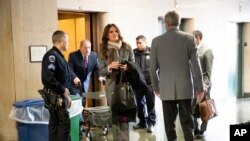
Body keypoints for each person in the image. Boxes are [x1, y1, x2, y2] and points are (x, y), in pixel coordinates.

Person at [150, 11, 204, 141]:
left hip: (166, 89)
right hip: (185, 88)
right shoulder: (189, 38)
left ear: (166, 23)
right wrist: (200, 88)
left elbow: (152, 68)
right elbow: (196, 66)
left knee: (169, 125)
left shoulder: (156, 41)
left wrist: (156, 87)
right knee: (187, 123)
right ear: (178, 22)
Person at [41, 30, 81, 141]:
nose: (68, 43)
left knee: (56, 127)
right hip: (56, 98)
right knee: (63, 126)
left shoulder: (59, 57)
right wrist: (63, 90)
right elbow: (47, 77)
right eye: (67, 40)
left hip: (60, 97)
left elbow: (65, 76)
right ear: (62, 40)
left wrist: (67, 95)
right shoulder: (51, 56)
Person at [99, 23, 135, 141]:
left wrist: (128, 67)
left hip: (126, 86)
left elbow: (134, 65)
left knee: (125, 117)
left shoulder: (127, 47)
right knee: (115, 117)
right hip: (112, 87)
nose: (114, 33)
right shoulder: (102, 49)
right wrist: (109, 67)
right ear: (106, 35)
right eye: (111, 31)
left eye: (116, 31)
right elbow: (101, 71)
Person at [68, 39, 104, 134]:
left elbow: (97, 68)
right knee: (76, 104)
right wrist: (74, 77)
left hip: (85, 84)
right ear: (80, 48)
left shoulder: (93, 55)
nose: (88, 50)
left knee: (83, 103)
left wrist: (99, 76)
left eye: (89, 47)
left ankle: (81, 124)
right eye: (85, 47)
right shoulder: (73, 55)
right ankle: (78, 126)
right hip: (74, 84)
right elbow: (69, 70)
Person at [192, 30, 214, 138]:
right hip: (192, 85)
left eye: (193, 38)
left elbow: (209, 72)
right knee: (193, 107)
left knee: (204, 107)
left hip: (204, 85)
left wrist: (205, 85)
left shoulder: (207, 50)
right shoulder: (192, 50)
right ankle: (195, 128)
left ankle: (202, 130)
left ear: (198, 37)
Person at [133, 35, 156, 133]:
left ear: (145, 42)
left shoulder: (152, 52)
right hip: (138, 84)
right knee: (139, 104)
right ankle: (142, 122)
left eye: (140, 43)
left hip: (149, 83)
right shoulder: (134, 53)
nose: (138, 45)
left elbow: (157, 67)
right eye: (137, 43)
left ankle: (151, 123)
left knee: (151, 104)